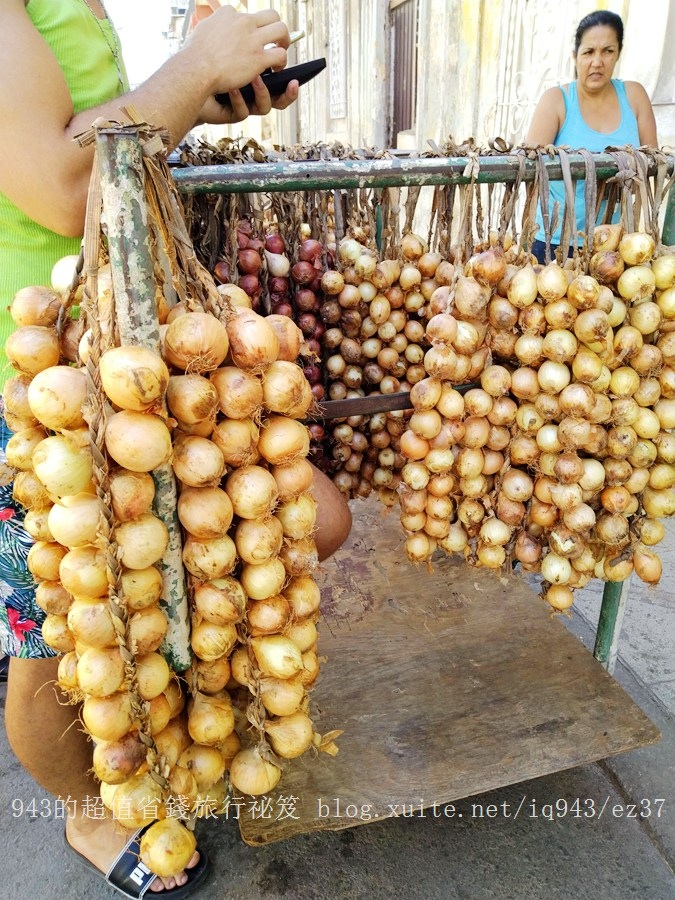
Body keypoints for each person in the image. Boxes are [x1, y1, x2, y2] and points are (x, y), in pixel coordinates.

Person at [0, 1, 351, 897]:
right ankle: (86, 810)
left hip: (133, 338)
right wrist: (194, 66)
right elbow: (60, 183)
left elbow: (105, 139)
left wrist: (200, 99)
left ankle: (192, 736)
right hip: (46, 379)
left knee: (291, 528)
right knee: (57, 647)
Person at [525, 10, 657, 264]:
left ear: (618, 53)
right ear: (575, 56)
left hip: (614, 244)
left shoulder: (634, 96)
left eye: (607, 51)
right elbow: (532, 173)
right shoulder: (556, 101)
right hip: (555, 243)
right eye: (588, 52)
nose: (597, 62)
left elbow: (651, 168)